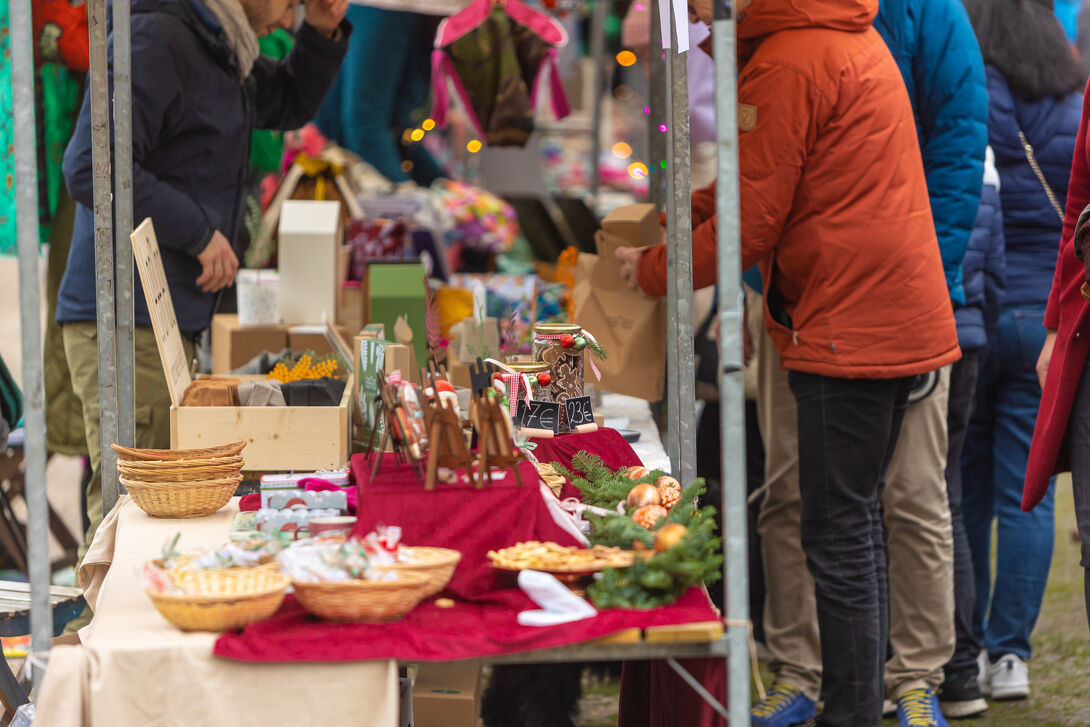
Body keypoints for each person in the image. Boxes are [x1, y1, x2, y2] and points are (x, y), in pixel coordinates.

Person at [617, 1, 961, 724]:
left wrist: (653, 267)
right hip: (872, 312)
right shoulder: (828, 37)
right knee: (853, 526)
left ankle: (852, 709)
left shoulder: (789, 57)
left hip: (848, 322)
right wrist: (683, 212)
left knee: (839, 531)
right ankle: (854, 705)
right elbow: (761, 180)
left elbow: (754, 215)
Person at [58, 0, 350, 624]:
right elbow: (91, 166)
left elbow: (287, 101)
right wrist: (197, 232)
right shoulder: (159, 39)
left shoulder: (226, 45)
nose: (295, 7)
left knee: (145, 513)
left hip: (164, 314)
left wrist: (323, 32)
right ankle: (95, 684)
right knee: (130, 517)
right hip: (122, 312)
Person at [962, 0, 1085, 702]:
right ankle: (1013, 656)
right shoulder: (1073, 97)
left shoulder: (979, 88)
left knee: (968, 490)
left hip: (985, 301)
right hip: (1048, 321)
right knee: (1030, 492)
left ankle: (971, 644)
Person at [314, 6, 442, 186]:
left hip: (363, 167)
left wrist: (443, 186)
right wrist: (407, 194)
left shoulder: (417, 24)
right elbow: (365, 126)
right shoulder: (386, 14)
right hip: (340, 172)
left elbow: (401, 134)